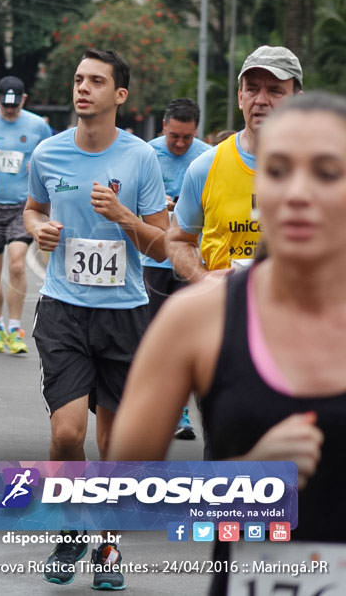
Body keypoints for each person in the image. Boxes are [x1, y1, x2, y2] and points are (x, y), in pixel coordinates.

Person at [109, 92, 346, 595]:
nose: (298, 192)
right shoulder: (198, 318)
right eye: (279, 171)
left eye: (326, 172)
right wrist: (245, 482)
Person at [23, 49, 168, 589]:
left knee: (113, 442)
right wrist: (37, 227)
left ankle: (107, 541)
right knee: (66, 433)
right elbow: (33, 207)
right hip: (63, 307)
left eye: (97, 81)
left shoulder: (140, 160)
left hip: (124, 313)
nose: (83, 88)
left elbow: (159, 242)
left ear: (119, 96)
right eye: (79, 79)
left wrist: (122, 216)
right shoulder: (48, 152)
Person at [168, 46, 303, 282]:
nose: (261, 100)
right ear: (240, 98)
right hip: (226, 311)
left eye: (275, 91)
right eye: (252, 89)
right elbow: (178, 239)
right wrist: (204, 279)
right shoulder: (206, 166)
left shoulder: (321, 170)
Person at [0, 76, 53, 355]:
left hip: (22, 206)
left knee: (16, 264)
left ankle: (15, 327)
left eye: (15, 106)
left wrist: (37, 168)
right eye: (5, 105)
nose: (10, 110)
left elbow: (53, 158)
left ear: (24, 100)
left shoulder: (39, 126)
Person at [141, 98, 210, 440]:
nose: (180, 144)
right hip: (153, 259)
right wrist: (159, 206)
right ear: (164, 128)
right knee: (154, 336)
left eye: (187, 137)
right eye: (174, 137)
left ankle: (182, 412)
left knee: (188, 341)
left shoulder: (207, 157)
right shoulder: (147, 155)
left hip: (191, 260)